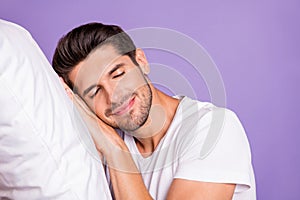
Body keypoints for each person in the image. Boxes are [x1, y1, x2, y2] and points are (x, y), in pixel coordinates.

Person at [52, 22, 256, 200]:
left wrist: (115, 150)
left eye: (118, 74)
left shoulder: (213, 129)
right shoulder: (95, 149)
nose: (114, 96)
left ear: (141, 61)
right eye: (95, 92)